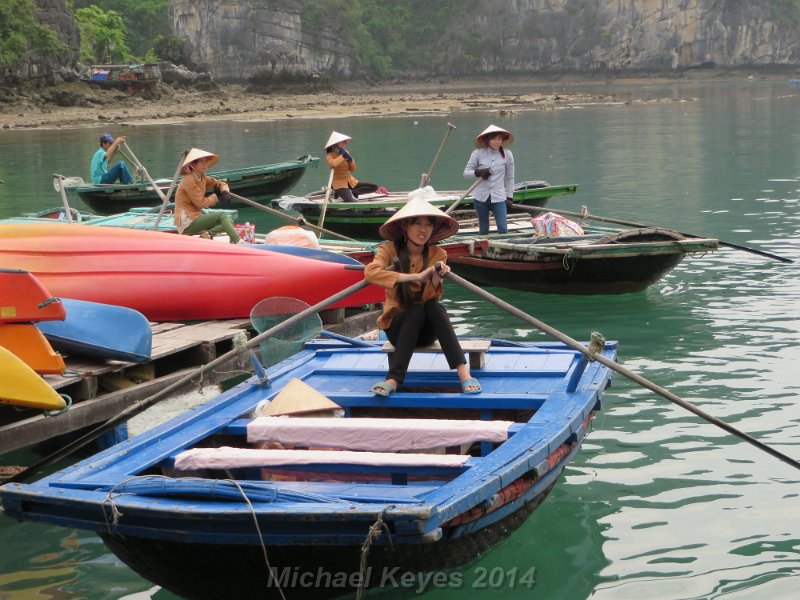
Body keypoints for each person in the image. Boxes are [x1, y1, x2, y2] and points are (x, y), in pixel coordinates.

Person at [364, 195, 481, 396]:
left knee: (431, 307)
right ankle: (393, 379)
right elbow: (370, 272)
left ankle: (464, 374)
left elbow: (430, 299)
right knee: (415, 310)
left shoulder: (438, 254)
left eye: (428, 225)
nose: (423, 229)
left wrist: (435, 279)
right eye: (417, 223)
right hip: (398, 329)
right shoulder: (388, 249)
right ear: (404, 228)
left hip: (426, 332)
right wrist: (416, 276)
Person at [174, 147, 242, 243]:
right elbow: (200, 203)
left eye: (205, 161)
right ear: (193, 165)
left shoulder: (201, 177)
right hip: (187, 222)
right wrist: (215, 196)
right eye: (201, 162)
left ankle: (207, 235)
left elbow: (219, 183)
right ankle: (239, 241)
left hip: (196, 217)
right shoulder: (189, 180)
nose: (205, 164)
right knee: (222, 215)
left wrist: (224, 192)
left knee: (229, 221)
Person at [462, 124, 516, 235]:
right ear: (487, 140)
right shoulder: (477, 154)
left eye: (499, 139)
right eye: (494, 139)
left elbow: (510, 177)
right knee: (484, 228)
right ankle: (484, 250)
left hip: (499, 197)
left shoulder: (508, 155)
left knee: (503, 229)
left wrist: (510, 196)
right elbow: (466, 174)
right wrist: (478, 172)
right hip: (480, 197)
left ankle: (503, 249)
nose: (497, 142)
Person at [324, 131, 378, 202]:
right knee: (350, 200)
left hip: (350, 181)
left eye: (345, 141)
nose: (345, 143)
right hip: (339, 183)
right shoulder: (329, 155)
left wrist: (350, 160)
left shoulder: (346, 152)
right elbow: (334, 164)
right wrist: (342, 156)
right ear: (336, 143)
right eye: (343, 141)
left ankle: (353, 192)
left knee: (374, 187)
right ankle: (344, 193)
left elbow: (353, 169)